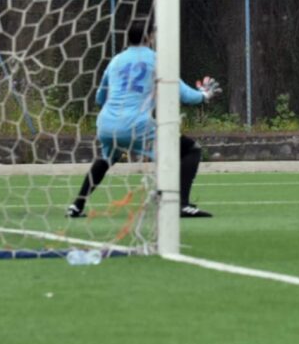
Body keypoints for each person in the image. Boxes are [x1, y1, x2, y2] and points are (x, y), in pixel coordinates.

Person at [66, 21, 221, 218]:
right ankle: (180, 204)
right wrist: (204, 95)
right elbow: (185, 95)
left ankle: (76, 206)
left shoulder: (115, 61)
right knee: (190, 150)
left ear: (128, 37)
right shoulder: (156, 60)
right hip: (136, 126)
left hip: (107, 125)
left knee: (106, 159)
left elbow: (99, 98)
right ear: (149, 37)